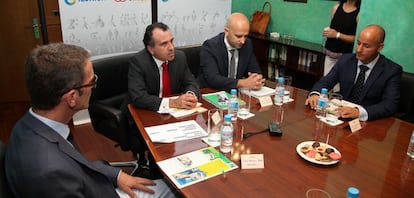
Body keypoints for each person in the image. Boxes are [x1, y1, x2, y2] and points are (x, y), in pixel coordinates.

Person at [5, 43, 176, 198]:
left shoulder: (28, 124)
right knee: (178, 189)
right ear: (72, 97)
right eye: (92, 81)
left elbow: (77, 163)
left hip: (97, 187)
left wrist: (116, 175)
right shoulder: (49, 172)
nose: (94, 87)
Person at [306, 24, 402, 121]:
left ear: (380, 47)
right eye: (358, 43)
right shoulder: (346, 60)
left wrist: (359, 112)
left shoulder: (391, 70)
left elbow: (390, 104)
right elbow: (326, 82)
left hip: (369, 122)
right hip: (341, 116)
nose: (359, 49)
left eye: (366, 46)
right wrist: (315, 94)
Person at [128, 22, 200, 112]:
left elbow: (191, 83)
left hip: (174, 114)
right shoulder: (139, 62)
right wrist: (172, 103)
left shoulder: (180, 57)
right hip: (147, 112)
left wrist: (190, 95)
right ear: (151, 49)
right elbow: (139, 98)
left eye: (171, 41)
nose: (171, 47)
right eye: (164, 44)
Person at [199, 12, 265, 91]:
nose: (243, 41)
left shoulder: (247, 44)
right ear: (227, 31)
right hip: (211, 91)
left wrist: (256, 79)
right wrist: (242, 83)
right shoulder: (210, 46)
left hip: (235, 93)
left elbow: (255, 70)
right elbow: (213, 79)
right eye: (238, 36)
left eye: (246, 36)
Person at [322, 0, 361, 75]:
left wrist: (337, 35)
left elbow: (357, 39)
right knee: (327, 82)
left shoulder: (359, 13)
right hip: (330, 53)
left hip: (345, 57)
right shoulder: (336, 8)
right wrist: (328, 32)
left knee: (340, 84)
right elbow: (332, 28)